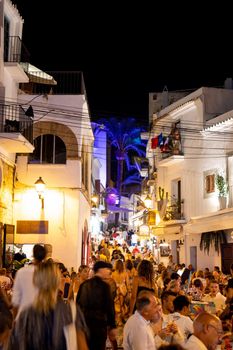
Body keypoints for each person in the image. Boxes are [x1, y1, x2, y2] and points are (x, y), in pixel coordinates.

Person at [8, 261, 89, 350]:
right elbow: (82, 346)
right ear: (57, 282)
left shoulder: (26, 315)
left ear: (35, 282)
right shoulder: (71, 312)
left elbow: (15, 344)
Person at [76, 260, 117, 350]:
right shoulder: (105, 286)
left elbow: (78, 305)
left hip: (84, 325)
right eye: (108, 271)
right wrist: (112, 326)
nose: (109, 274)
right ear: (102, 270)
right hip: (99, 326)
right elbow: (110, 307)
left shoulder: (84, 285)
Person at [12, 244, 47, 319]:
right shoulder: (47, 274)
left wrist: (15, 320)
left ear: (33, 254)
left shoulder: (21, 272)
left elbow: (15, 301)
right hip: (41, 319)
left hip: (23, 318)